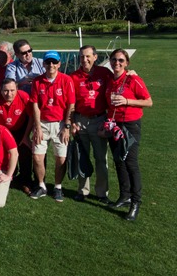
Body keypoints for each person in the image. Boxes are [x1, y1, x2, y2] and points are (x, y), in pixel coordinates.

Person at [105, 49, 152, 221]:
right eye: (114, 60)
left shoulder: (133, 79)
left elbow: (148, 101)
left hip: (130, 125)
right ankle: (124, 196)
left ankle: (135, 202)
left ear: (126, 63)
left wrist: (127, 101)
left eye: (121, 60)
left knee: (131, 162)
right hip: (114, 125)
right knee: (119, 160)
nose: (117, 63)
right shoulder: (111, 81)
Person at [29, 51, 76, 202]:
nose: (51, 65)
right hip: (42, 123)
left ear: (59, 64)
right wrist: (37, 126)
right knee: (37, 157)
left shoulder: (66, 80)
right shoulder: (37, 81)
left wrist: (67, 127)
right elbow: (35, 105)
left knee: (61, 159)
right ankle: (42, 185)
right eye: (48, 62)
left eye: (54, 62)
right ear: (43, 64)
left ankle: (58, 187)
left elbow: (71, 105)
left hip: (60, 124)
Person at [68, 45, 112, 203]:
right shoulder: (73, 76)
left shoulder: (104, 73)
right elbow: (71, 104)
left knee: (101, 158)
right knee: (82, 157)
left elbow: (118, 85)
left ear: (95, 57)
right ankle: (83, 190)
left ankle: (101, 193)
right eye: (81, 57)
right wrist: (72, 123)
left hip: (99, 120)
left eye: (87, 56)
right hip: (81, 121)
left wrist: (132, 73)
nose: (84, 60)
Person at [0, 78, 33, 192]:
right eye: (6, 91)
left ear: (17, 89)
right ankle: (7, 176)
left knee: (24, 152)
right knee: (3, 154)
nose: (9, 94)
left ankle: (25, 180)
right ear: (1, 90)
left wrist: (26, 136)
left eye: (12, 90)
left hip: (20, 129)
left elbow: (32, 116)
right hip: (2, 131)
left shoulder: (24, 97)